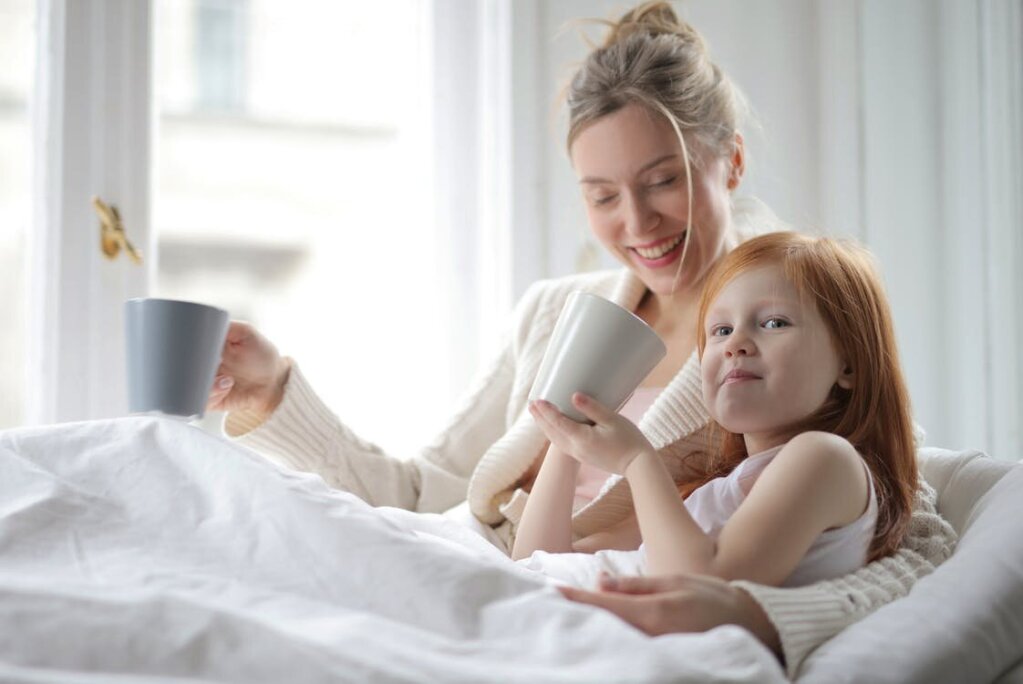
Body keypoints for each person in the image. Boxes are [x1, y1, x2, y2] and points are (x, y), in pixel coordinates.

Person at [205, 1, 956, 676]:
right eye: (601, 196)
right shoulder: (553, 313)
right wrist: (275, 396)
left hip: (597, 608)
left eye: (662, 181)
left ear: (728, 160)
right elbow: (423, 493)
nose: (635, 223)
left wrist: (757, 615)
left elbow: (907, 533)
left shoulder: (798, 329)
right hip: (496, 569)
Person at [516, 233, 916, 594]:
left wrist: (637, 460)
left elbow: (706, 582)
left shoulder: (826, 458)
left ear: (849, 364)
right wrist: (566, 438)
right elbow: (540, 562)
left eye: (774, 322)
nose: (735, 344)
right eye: (720, 330)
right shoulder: (713, 492)